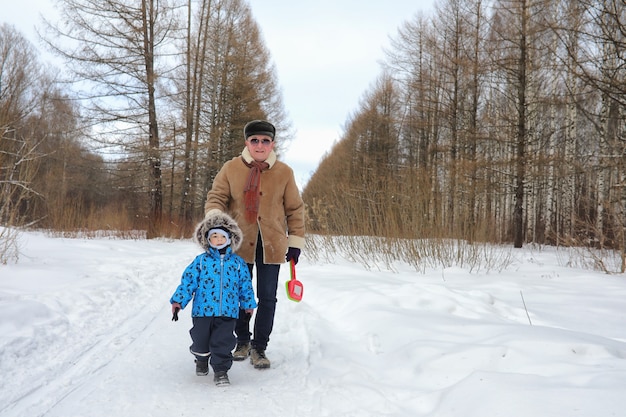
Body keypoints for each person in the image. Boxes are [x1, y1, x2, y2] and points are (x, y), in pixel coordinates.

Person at [204, 119, 305, 369]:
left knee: (267, 298)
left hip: (272, 244)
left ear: (272, 144)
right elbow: (216, 197)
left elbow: (294, 209)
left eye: (265, 140)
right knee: (239, 296)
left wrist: (295, 242)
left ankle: (260, 347)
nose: (260, 145)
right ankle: (242, 342)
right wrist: (216, 224)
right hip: (239, 244)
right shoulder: (231, 168)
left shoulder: (284, 172)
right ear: (247, 142)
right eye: (255, 140)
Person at [170, 211, 257, 386]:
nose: (218, 239)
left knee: (223, 341)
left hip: (228, 311)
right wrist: (179, 301)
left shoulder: (238, 263)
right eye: (213, 236)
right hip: (203, 310)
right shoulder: (201, 261)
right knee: (200, 339)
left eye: (221, 236)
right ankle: (201, 359)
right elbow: (188, 281)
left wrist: (248, 304)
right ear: (207, 240)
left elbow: (245, 285)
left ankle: (221, 370)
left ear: (229, 238)